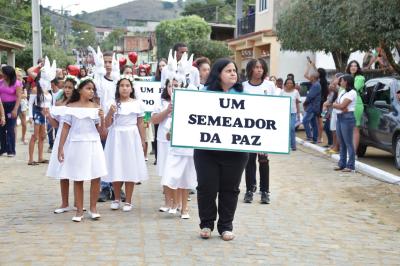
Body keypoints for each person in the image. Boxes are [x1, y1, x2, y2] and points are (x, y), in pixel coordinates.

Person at [194, 58, 249, 241]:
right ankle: (206, 224)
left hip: (236, 151)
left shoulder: (244, 94)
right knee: (206, 187)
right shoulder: (203, 94)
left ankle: (226, 226)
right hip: (207, 150)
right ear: (218, 74)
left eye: (234, 70)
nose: (233, 73)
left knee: (230, 188)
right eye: (228, 71)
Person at [57, 77, 107, 222]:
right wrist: (61, 147)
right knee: (78, 177)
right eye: (88, 88)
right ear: (80, 90)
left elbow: (101, 132)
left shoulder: (96, 107)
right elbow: (65, 128)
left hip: (93, 143)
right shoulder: (71, 107)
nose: (91, 91)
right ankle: (79, 210)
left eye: (93, 89)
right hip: (77, 144)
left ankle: (93, 208)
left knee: (95, 176)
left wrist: (103, 118)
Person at [104, 76, 148, 212]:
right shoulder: (112, 103)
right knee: (116, 165)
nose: (124, 88)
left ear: (131, 88)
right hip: (116, 135)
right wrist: (110, 112)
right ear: (118, 88)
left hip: (131, 136)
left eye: (127, 85)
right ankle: (116, 198)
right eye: (122, 85)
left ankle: (128, 200)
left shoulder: (137, 103)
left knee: (130, 167)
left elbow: (141, 122)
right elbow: (107, 124)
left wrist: (142, 140)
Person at [242, 58, 275, 204]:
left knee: (263, 160)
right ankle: (249, 190)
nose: (259, 70)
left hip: (264, 128)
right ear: (250, 69)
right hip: (247, 128)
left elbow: (275, 105)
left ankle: (265, 191)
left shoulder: (270, 86)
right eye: (256, 67)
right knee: (249, 160)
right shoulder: (243, 86)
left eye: (262, 67)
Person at [45, 75, 78, 213]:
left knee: (76, 171)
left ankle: (78, 202)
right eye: (65, 87)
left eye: (70, 87)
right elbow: (56, 125)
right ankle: (64, 203)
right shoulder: (58, 104)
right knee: (62, 171)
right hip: (61, 139)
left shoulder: (78, 104)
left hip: (75, 138)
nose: (67, 90)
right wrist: (48, 116)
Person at [151, 79, 174, 212]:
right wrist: (167, 111)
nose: (172, 88)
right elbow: (154, 119)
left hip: (178, 140)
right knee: (166, 168)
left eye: (176, 85)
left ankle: (178, 202)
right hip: (163, 138)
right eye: (170, 85)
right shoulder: (161, 102)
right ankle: (167, 202)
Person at [28, 71, 53, 165]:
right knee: (35, 136)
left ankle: (40, 157)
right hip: (37, 112)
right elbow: (30, 103)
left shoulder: (47, 89)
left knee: (42, 136)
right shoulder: (35, 89)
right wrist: (30, 116)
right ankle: (30, 159)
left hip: (45, 113)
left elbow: (49, 103)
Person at [332, 74, 357, 172]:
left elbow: (342, 105)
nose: (340, 82)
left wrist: (337, 105)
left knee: (348, 142)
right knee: (341, 142)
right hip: (340, 116)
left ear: (346, 82)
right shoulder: (342, 92)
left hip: (347, 118)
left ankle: (350, 165)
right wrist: (337, 105)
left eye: (342, 80)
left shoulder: (352, 92)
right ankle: (342, 163)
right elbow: (337, 104)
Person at [0, 65, 21, 156]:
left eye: (3, 73)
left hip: (12, 106)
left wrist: (15, 109)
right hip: (2, 106)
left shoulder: (17, 83)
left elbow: (19, 97)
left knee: (10, 128)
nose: (2, 74)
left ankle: (11, 150)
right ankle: (3, 148)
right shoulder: (0, 82)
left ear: (8, 74)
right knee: (1, 128)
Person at [346, 60, 365, 153]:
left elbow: (354, 88)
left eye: (355, 66)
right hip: (345, 103)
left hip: (356, 104)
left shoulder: (360, 78)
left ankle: (353, 152)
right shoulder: (346, 77)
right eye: (351, 66)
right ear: (349, 68)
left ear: (358, 68)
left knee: (355, 128)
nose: (353, 67)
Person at [303, 64, 321, 143]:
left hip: (312, 107)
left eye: (310, 76)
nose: (309, 77)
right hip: (314, 106)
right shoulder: (315, 84)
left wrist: (305, 103)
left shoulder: (316, 85)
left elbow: (310, 96)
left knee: (305, 121)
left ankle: (309, 136)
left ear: (313, 78)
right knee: (313, 123)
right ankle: (314, 138)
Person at [281, 78, 301, 151]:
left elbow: (297, 103)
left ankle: (293, 145)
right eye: (288, 83)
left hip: (293, 113)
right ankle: (287, 145)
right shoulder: (282, 92)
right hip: (284, 113)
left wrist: (298, 113)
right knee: (286, 129)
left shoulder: (296, 92)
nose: (289, 84)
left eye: (291, 83)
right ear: (285, 84)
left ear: (293, 84)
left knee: (292, 128)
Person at [15, 68, 28, 145]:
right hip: (15, 103)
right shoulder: (12, 84)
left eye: (20, 76)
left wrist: (18, 95)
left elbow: (25, 96)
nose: (18, 77)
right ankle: (14, 139)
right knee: (14, 123)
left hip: (22, 104)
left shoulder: (23, 84)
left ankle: (23, 137)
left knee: (24, 123)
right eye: (16, 76)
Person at [317, 68, 328, 143]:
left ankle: (320, 137)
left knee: (320, 121)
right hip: (323, 103)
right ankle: (319, 137)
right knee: (320, 120)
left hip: (321, 104)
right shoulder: (324, 81)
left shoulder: (321, 81)